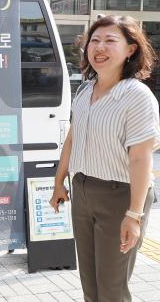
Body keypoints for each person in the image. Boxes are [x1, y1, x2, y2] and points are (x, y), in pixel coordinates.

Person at [50, 15, 160, 302]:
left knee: (112, 289)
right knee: (90, 285)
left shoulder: (137, 97)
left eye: (111, 41)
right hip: (84, 190)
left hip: (121, 196)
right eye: (95, 41)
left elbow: (140, 160)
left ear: (130, 49)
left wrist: (134, 216)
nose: (100, 47)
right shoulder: (86, 91)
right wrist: (59, 181)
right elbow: (72, 139)